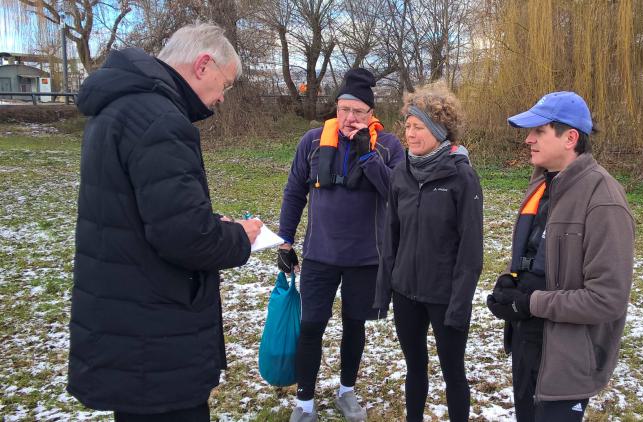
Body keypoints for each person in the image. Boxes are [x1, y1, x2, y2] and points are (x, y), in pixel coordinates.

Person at [67, 23, 263, 421]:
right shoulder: (161, 119)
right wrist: (239, 236)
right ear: (203, 65)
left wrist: (206, 220)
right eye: (224, 84)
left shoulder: (118, 108)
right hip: (158, 334)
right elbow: (186, 238)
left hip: (126, 317)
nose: (222, 97)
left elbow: (141, 213)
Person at [486, 91, 635, 421]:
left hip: (567, 361)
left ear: (570, 138)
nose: (528, 140)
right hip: (528, 344)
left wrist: (531, 302)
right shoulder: (542, 183)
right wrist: (511, 283)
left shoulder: (604, 198)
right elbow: (539, 255)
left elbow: (608, 300)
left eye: (539, 132)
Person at [277, 68, 405, 422]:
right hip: (320, 254)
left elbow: (396, 194)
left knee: (354, 325)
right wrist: (285, 241)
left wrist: (368, 156)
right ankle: (304, 402)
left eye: (359, 112)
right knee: (310, 326)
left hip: (366, 257)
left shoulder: (390, 145)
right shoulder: (313, 140)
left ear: (371, 114)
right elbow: (293, 192)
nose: (350, 118)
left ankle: (346, 391)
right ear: (336, 109)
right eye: (344, 109)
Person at [373, 82, 484, 422]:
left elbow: (471, 249)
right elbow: (391, 236)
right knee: (414, 369)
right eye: (407, 126)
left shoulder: (462, 177)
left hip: (444, 294)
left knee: (453, 372)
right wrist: (384, 291)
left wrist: (460, 304)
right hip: (406, 292)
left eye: (418, 127)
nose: (410, 133)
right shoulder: (401, 174)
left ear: (438, 131)